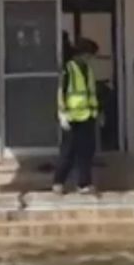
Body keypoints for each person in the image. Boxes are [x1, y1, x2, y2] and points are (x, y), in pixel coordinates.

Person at [53, 37, 100, 195]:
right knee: (68, 151)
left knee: (86, 152)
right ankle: (58, 181)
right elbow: (62, 92)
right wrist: (62, 113)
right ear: (83, 54)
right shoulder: (69, 68)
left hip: (87, 116)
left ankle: (83, 183)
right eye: (90, 55)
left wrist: (96, 113)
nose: (91, 58)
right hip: (71, 117)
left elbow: (91, 93)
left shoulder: (88, 69)